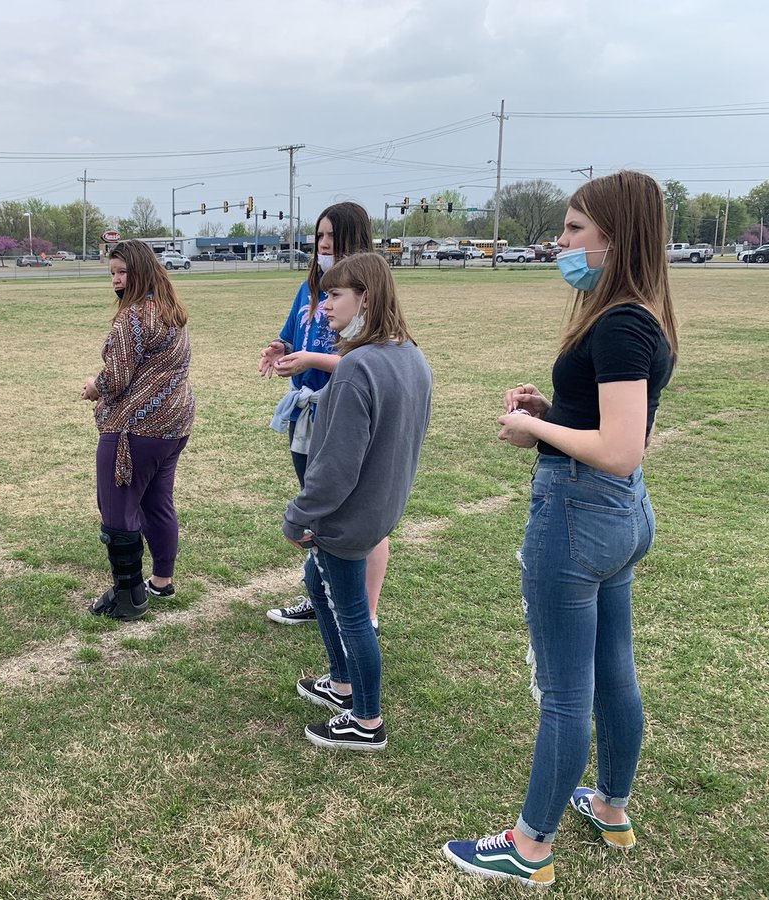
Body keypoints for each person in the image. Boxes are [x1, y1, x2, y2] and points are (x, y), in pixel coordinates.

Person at [443, 171, 678, 889]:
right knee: (614, 673)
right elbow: (608, 424)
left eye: (576, 229)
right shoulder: (635, 317)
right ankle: (610, 806)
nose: (562, 242)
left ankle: (529, 846)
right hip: (618, 519)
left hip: (581, 515)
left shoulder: (620, 324)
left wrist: (533, 427)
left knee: (567, 693)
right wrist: (550, 410)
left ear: (614, 236)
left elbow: (620, 448)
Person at [282, 252, 432, 750]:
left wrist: (300, 515)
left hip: (350, 519)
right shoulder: (412, 355)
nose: (324, 306)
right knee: (315, 579)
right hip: (382, 508)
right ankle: (342, 683)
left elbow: (335, 467)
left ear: (365, 298)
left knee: (353, 613)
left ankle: (365, 719)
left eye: (335, 295)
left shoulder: (357, 367)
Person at [259, 202, 390, 633]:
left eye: (332, 235)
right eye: (319, 236)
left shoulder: (369, 293)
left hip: (344, 412)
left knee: (358, 515)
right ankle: (321, 596)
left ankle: (364, 613)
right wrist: (280, 350)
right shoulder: (309, 287)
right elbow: (291, 334)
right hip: (305, 413)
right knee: (319, 512)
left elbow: (374, 360)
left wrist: (313, 358)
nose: (324, 244)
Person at [82, 240, 194, 620]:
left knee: (116, 512)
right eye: (112, 272)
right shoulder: (170, 311)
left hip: (135, 429)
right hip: (173, 426)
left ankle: (128, 595)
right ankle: (161, 581)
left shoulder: (133, 317)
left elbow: (115, 377)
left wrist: (93, 387)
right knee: (156, 504)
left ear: (142, 271)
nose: (115, 280)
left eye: (122, 272)